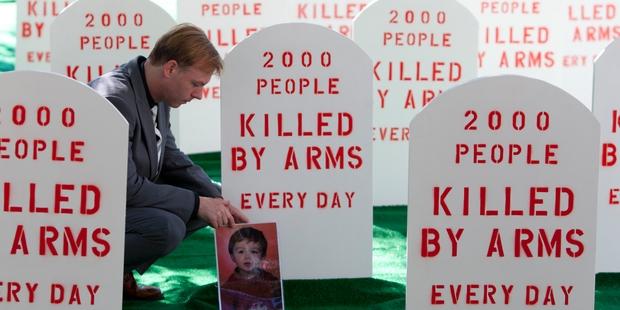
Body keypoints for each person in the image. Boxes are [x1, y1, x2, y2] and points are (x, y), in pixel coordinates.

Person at [89, 23, 248, 300]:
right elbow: (124, 187)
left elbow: (170, 156)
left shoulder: (154, 91)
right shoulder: (115, 98)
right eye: (196, 84)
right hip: (89, 213)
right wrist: (199, 203)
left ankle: (118, 271)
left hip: (121, 201)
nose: (199, 94)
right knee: (167, 228)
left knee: (214, 200)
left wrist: (217, 196)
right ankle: (88, 274)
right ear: (171, 68)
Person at [220, 227, 283, 310]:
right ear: (232, 257)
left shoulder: (271, 281)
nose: (247, 257)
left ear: (262, 256)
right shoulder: (228, 288)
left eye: (254, 251)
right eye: (241, 251)